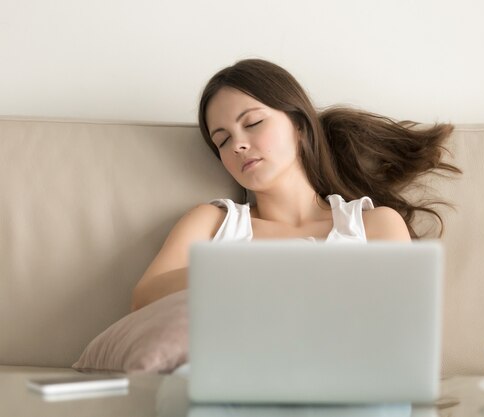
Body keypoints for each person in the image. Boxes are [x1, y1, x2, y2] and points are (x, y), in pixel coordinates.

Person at [130, 59, 460, 312]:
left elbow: (402, 323)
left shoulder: (374, 224)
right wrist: (251, 273)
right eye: (223, 140)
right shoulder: (212, 223)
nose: (238, 146)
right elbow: (143, 300)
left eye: (253, 123)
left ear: (299, 125)